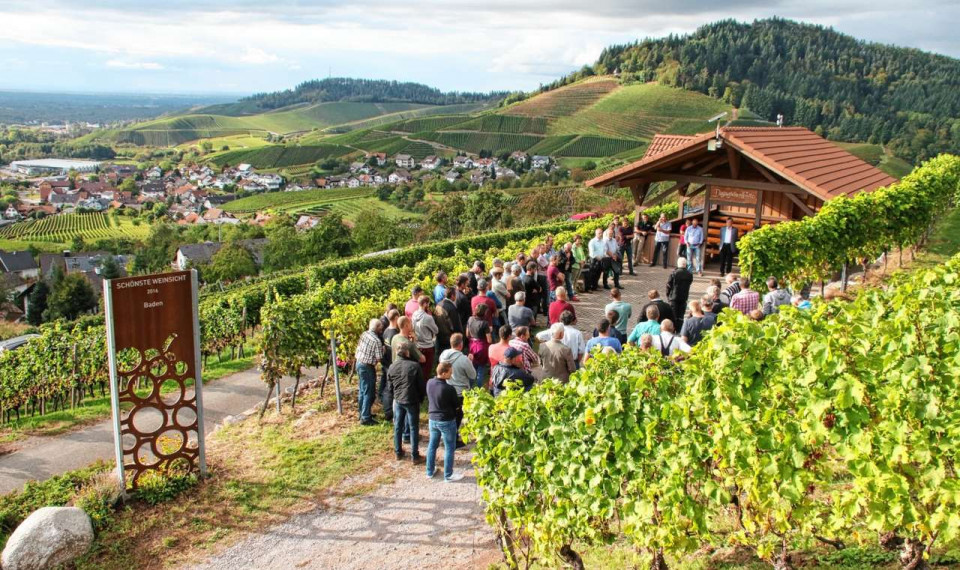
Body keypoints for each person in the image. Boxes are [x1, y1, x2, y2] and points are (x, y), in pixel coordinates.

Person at [425, 361, 465, 482]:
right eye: (450, 373)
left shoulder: (429, 383)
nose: (451, 375)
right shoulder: (449, 388)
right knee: (449, 447)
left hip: (432, 419)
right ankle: (448, 475)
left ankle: (429, 471)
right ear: (443, 373)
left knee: (432, 445)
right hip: (446, 421)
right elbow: (456, 405)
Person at [388, 346, 425, 462]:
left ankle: (398, 452)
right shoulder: (414, 366)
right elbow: (421, 385)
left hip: (398, 399)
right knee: (413, 427)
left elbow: (389, 387)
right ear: (407, 353)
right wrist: (421, 398)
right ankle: (415, 455)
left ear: (396, 353)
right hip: (412, 399)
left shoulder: (392, 366)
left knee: (398, 426)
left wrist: (395, 396)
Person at [439, 333, 476, 445]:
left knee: (448, 415)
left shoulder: (443, 355)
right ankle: (453, 439)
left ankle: (448, 437)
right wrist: (470, 361)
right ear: (461, 345)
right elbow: (473, 375)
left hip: (446, 389)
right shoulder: (464, 359)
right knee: (458, 417)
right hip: (460, 392)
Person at [355, 319, 386, 426]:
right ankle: (366, 418)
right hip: (367, 367)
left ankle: (362, 412)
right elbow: (379, 357)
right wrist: (384, 350)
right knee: (369, 392)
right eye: (381, 327)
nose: (382, 329)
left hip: (359, 363)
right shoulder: (376, 341)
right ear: (377, 328)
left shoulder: (364, 334)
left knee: (362, 390)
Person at [380, 308, 401, 421]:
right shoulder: (395, 334)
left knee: (387, 387)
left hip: (386, 364)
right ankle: (389, 412)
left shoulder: (386, 332)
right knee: (390, 389)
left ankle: (387, 409)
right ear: (396, 318)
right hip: (392, 365)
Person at [466, 304, 493, 389]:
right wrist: (490, 331)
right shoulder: (485, 323)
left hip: (472, 346)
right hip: (482, 347)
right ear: (484, 313)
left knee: (472, 368)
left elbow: (467, 334)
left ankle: (469, 387)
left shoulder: (470, 319)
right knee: (481, 370)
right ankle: (479, 389)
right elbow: (489, 340)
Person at [412, 295, 438, 380]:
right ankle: (424, 390)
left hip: (418, 345)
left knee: (419, 369)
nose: (429, 305)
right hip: (427, 346)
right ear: (424, 304)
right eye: (428, 303)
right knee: (426, 370)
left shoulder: (414, 314)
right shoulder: (428, 318)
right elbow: (436, 330)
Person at [666, 257, 694, 328]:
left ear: (678, 264)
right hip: (684, 297)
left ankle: (673, 329)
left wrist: (668, 295)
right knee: (681, 315)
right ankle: (679, 329)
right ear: (685, 264)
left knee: (673, 315)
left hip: (674, 297)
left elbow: (668, 286)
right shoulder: (689, 274)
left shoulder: (674, 273)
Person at [435, 286, 463, 353]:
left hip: (440, 335)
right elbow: (456, 324)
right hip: (449, 337)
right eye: (455, 295)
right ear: (452, 296)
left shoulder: (438, 304)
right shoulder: (451, 308)